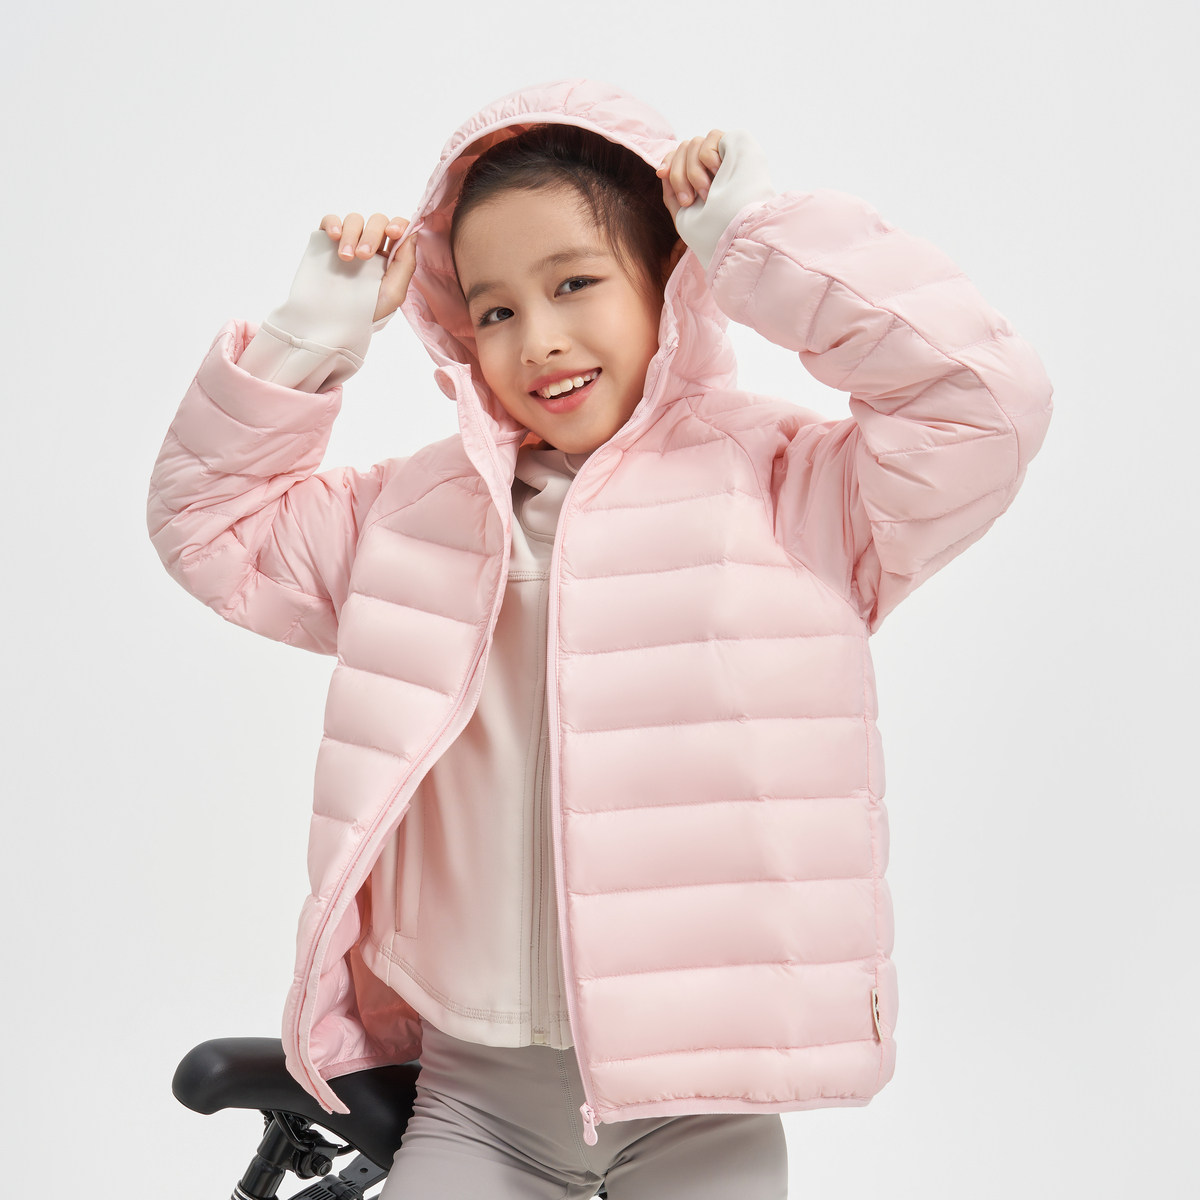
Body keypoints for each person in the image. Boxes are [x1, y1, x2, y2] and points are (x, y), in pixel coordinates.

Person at [146, 78, 1053, 1199]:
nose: (538, 340)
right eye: (494, 311)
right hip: (476, 1103)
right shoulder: (412, 515)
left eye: (575, 283)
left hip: (703, 1113)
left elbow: (984, 405)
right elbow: (208, 529)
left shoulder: (796, 489)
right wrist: (309, 338)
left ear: (671, 278)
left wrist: (760, 244)